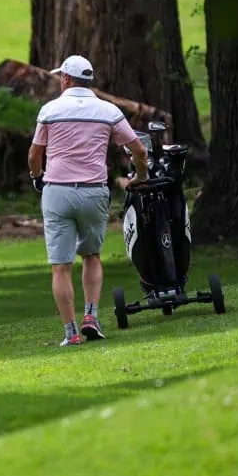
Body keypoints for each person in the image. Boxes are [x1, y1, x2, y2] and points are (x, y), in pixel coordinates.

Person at [27, 54, 148, 347]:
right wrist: (140, 175)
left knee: (61, 266)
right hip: (94, 191)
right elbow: (138, 150)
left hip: (57, 191)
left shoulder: (50, 110)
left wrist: (37, 178)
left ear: (66, 79)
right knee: (92, 256)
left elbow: (34, 155)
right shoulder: (107, 111)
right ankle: (91, 315)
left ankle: (71, 333)